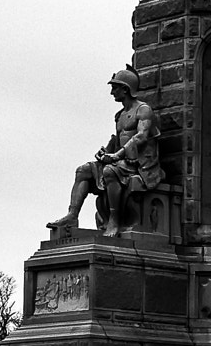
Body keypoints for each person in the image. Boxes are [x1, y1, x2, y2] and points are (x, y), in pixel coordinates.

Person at [51, 68, 166, 236]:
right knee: (83, 170)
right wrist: (106, 151)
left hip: (140, 163)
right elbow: (119, 139)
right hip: (122, 160)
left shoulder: (143, 110)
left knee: (109, 171)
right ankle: (72, 215)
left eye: (115, 88)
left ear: (125, 89)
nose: (112, 92)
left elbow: (140, 137)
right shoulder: (119, 115)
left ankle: (114, 220)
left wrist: (117, 156)